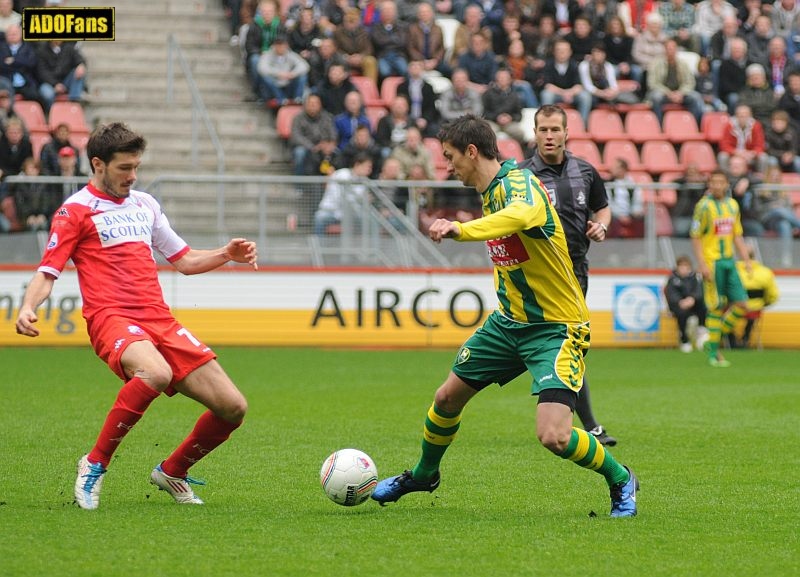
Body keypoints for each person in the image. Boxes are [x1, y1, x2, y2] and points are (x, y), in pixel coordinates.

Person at [370, 114, 638, 517]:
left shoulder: (519, 184)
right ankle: (424, 475)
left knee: (554, 436)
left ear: (472, 152)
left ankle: (621, 478)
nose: (447, 166)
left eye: (450, 157)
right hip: (508, 323)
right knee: (446, 398)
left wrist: (464, 230)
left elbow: (521, 216)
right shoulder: (491, 189)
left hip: (556, 328)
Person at [14, 122, 258, 510]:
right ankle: (94, 464)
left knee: (233, 407)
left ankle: (172, 471)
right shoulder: (75, 211)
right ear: (98, 164)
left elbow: (186, 260)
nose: (133, 176)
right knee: (156, 373)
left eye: (136, 167)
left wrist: (226, 254)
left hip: (159, 320)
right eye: (124, 168)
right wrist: (28, 306)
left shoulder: (145, 205)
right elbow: (48, 270)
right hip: (111, 317)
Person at [518, 105, 617, 447]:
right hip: (539, 275)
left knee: (566, 346)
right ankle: (587, 424)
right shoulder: (522, 176)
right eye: (542, 129)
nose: (548, 136)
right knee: (566, 346)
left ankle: (578, 419)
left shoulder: (586, 171)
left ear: (566, 133)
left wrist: (601, 224)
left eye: (554, 129)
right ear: (534, 133)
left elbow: (602, 206)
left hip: (576, 271)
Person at [690, 169, 752, 367]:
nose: (717, 185)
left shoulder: (733, 205)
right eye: (713, 182)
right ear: (710, 184)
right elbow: (696, 235)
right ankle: (714, 354)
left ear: (727, 184)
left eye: (720, 182)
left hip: (729, 261)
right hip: (713, 262)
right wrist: (701, 264)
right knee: (716, 307)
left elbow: (737, 235)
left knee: (742, 304)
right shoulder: (703, 206)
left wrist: (747, 260)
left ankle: (711, 341)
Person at [313, 152, 373, 235]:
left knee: (368, 219)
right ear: (357, 164)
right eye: (368, 167)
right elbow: (338, 197)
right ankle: (319, 246)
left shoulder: (364, 181)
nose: (369, 170)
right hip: (332, 211)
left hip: (351, 214)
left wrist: (364, 200)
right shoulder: (342, 174)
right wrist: (358, 199)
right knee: (320, 217)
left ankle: (363, 247)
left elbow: (360, 202)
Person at [733, 247, 779, 348]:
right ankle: (745, 338)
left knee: (723, 315)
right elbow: (773, 295)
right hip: (755, 310)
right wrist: (764, 303)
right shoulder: (765, 272)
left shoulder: (733, 272)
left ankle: (732, 340)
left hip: (734, 309)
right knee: (752, 314)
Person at [664, 255, 708, 353]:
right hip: (679, 306)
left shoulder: (695, 278)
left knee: (703, 306)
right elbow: (671, 294)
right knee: (681, 314)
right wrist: (680, 301)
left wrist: (692, 298)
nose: (683, 269)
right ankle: (684, 339)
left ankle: (701, 328)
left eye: (686, 266)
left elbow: (700, 292)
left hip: (693, 304)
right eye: (681, 266)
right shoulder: (672, 279)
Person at [288, 93, 337, 176]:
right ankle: (299, 185)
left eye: (315, 103)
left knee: (337, 152)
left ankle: (333, 184)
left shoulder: (327, 117)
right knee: (299, 153)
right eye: (310, 103)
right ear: (305, 105)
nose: (313, 106)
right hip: (305, 147)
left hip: (323, 146)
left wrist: (329, 144)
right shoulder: (298, 118)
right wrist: (312, 147)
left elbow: (333, 134)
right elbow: (296, 137)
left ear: (320, 105)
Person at [35, 40, 87, 113]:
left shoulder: (69, 48)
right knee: (47, 94)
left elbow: (80, 59)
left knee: (79, 71)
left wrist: (81, 65)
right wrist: (55, 84)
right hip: (49, 83)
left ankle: (74, 104)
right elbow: (42, 72)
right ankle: (52, 114)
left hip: (65, 82)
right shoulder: (41, 50)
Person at [606, 158, 645, 238]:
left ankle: (639, 244)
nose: (611, 169)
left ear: (623, 169)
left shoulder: (633, 185)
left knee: (641, 219)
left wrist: (633, 213)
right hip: (614, 215)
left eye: (615, 167)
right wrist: (619, 215)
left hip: (630, 214)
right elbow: (608, 203)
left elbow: (637, 202)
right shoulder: (608, 185)